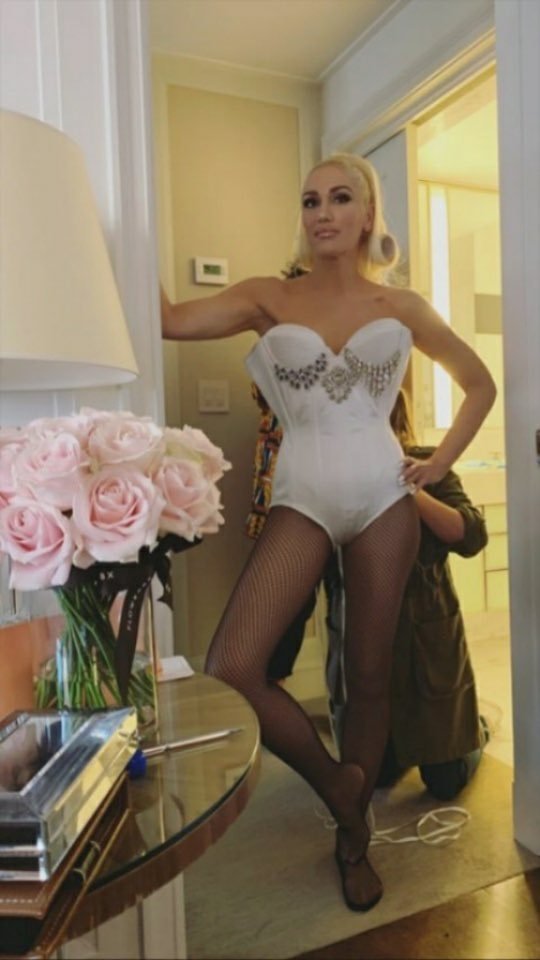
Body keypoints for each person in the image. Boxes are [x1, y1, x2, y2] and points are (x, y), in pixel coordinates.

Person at [160, 151, 496, 912]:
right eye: (311, 200)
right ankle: (343, 791)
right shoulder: (268, 296)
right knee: (234, 663)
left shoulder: (402, 306)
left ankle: (353, 843)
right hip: (302, 497)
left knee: (368, 675)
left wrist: (436, 464)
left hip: (384, 496)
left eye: (340, 198)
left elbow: (480, 384)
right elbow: (171, 320)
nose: (322, 213)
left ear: (368, 213)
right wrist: (125, 218)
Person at [248, 386, 489, 801]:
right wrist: (275, 667)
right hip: (360, 651)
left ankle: (476, 729)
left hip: (426, 648)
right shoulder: (328, 485)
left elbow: (471, 536)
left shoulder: (429, 466)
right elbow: (301, 584)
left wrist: (408, 487)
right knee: (373, 777)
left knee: (446, 783)